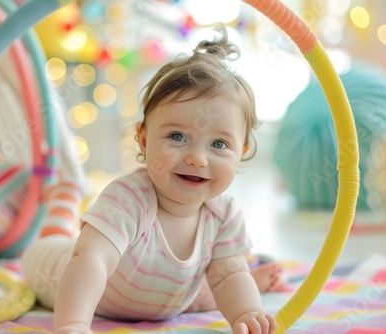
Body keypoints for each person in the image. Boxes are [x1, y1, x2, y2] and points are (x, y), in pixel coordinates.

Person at [22, 26, 280, 334]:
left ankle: (251, 283)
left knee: (219, 281)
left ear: (243, 150)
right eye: (177, 136)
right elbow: (91, 259)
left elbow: (227, 276)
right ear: (143, 140)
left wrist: (248, 312)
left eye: (219, 144)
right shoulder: (129, 199)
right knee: (62, 240)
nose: (198, 158)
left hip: (165, 298)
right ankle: (62, 200)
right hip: (54, 271)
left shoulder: (224, 215)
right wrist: (73, 324)